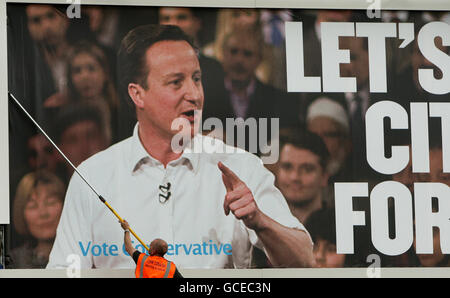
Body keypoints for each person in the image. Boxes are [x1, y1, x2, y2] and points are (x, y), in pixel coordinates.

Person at [47, 24, 313, 269]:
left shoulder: (241, 167)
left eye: (196, 79)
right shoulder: (92, 176)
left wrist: (261, 221)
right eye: (176, 82)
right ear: (137, 93)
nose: (195, 95)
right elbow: (64, 272)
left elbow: (304, 262)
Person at [8, 171, 65, 268]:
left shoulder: (82, 255)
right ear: (21, 214)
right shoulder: (12, 262)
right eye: (33, 206)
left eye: (50, 202)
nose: (43, 213)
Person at [275, 128, 330, 223]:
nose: (295, 177)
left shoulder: (340, 225)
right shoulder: (257, 228)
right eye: (287, 167)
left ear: (324, 177)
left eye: (307, 169)